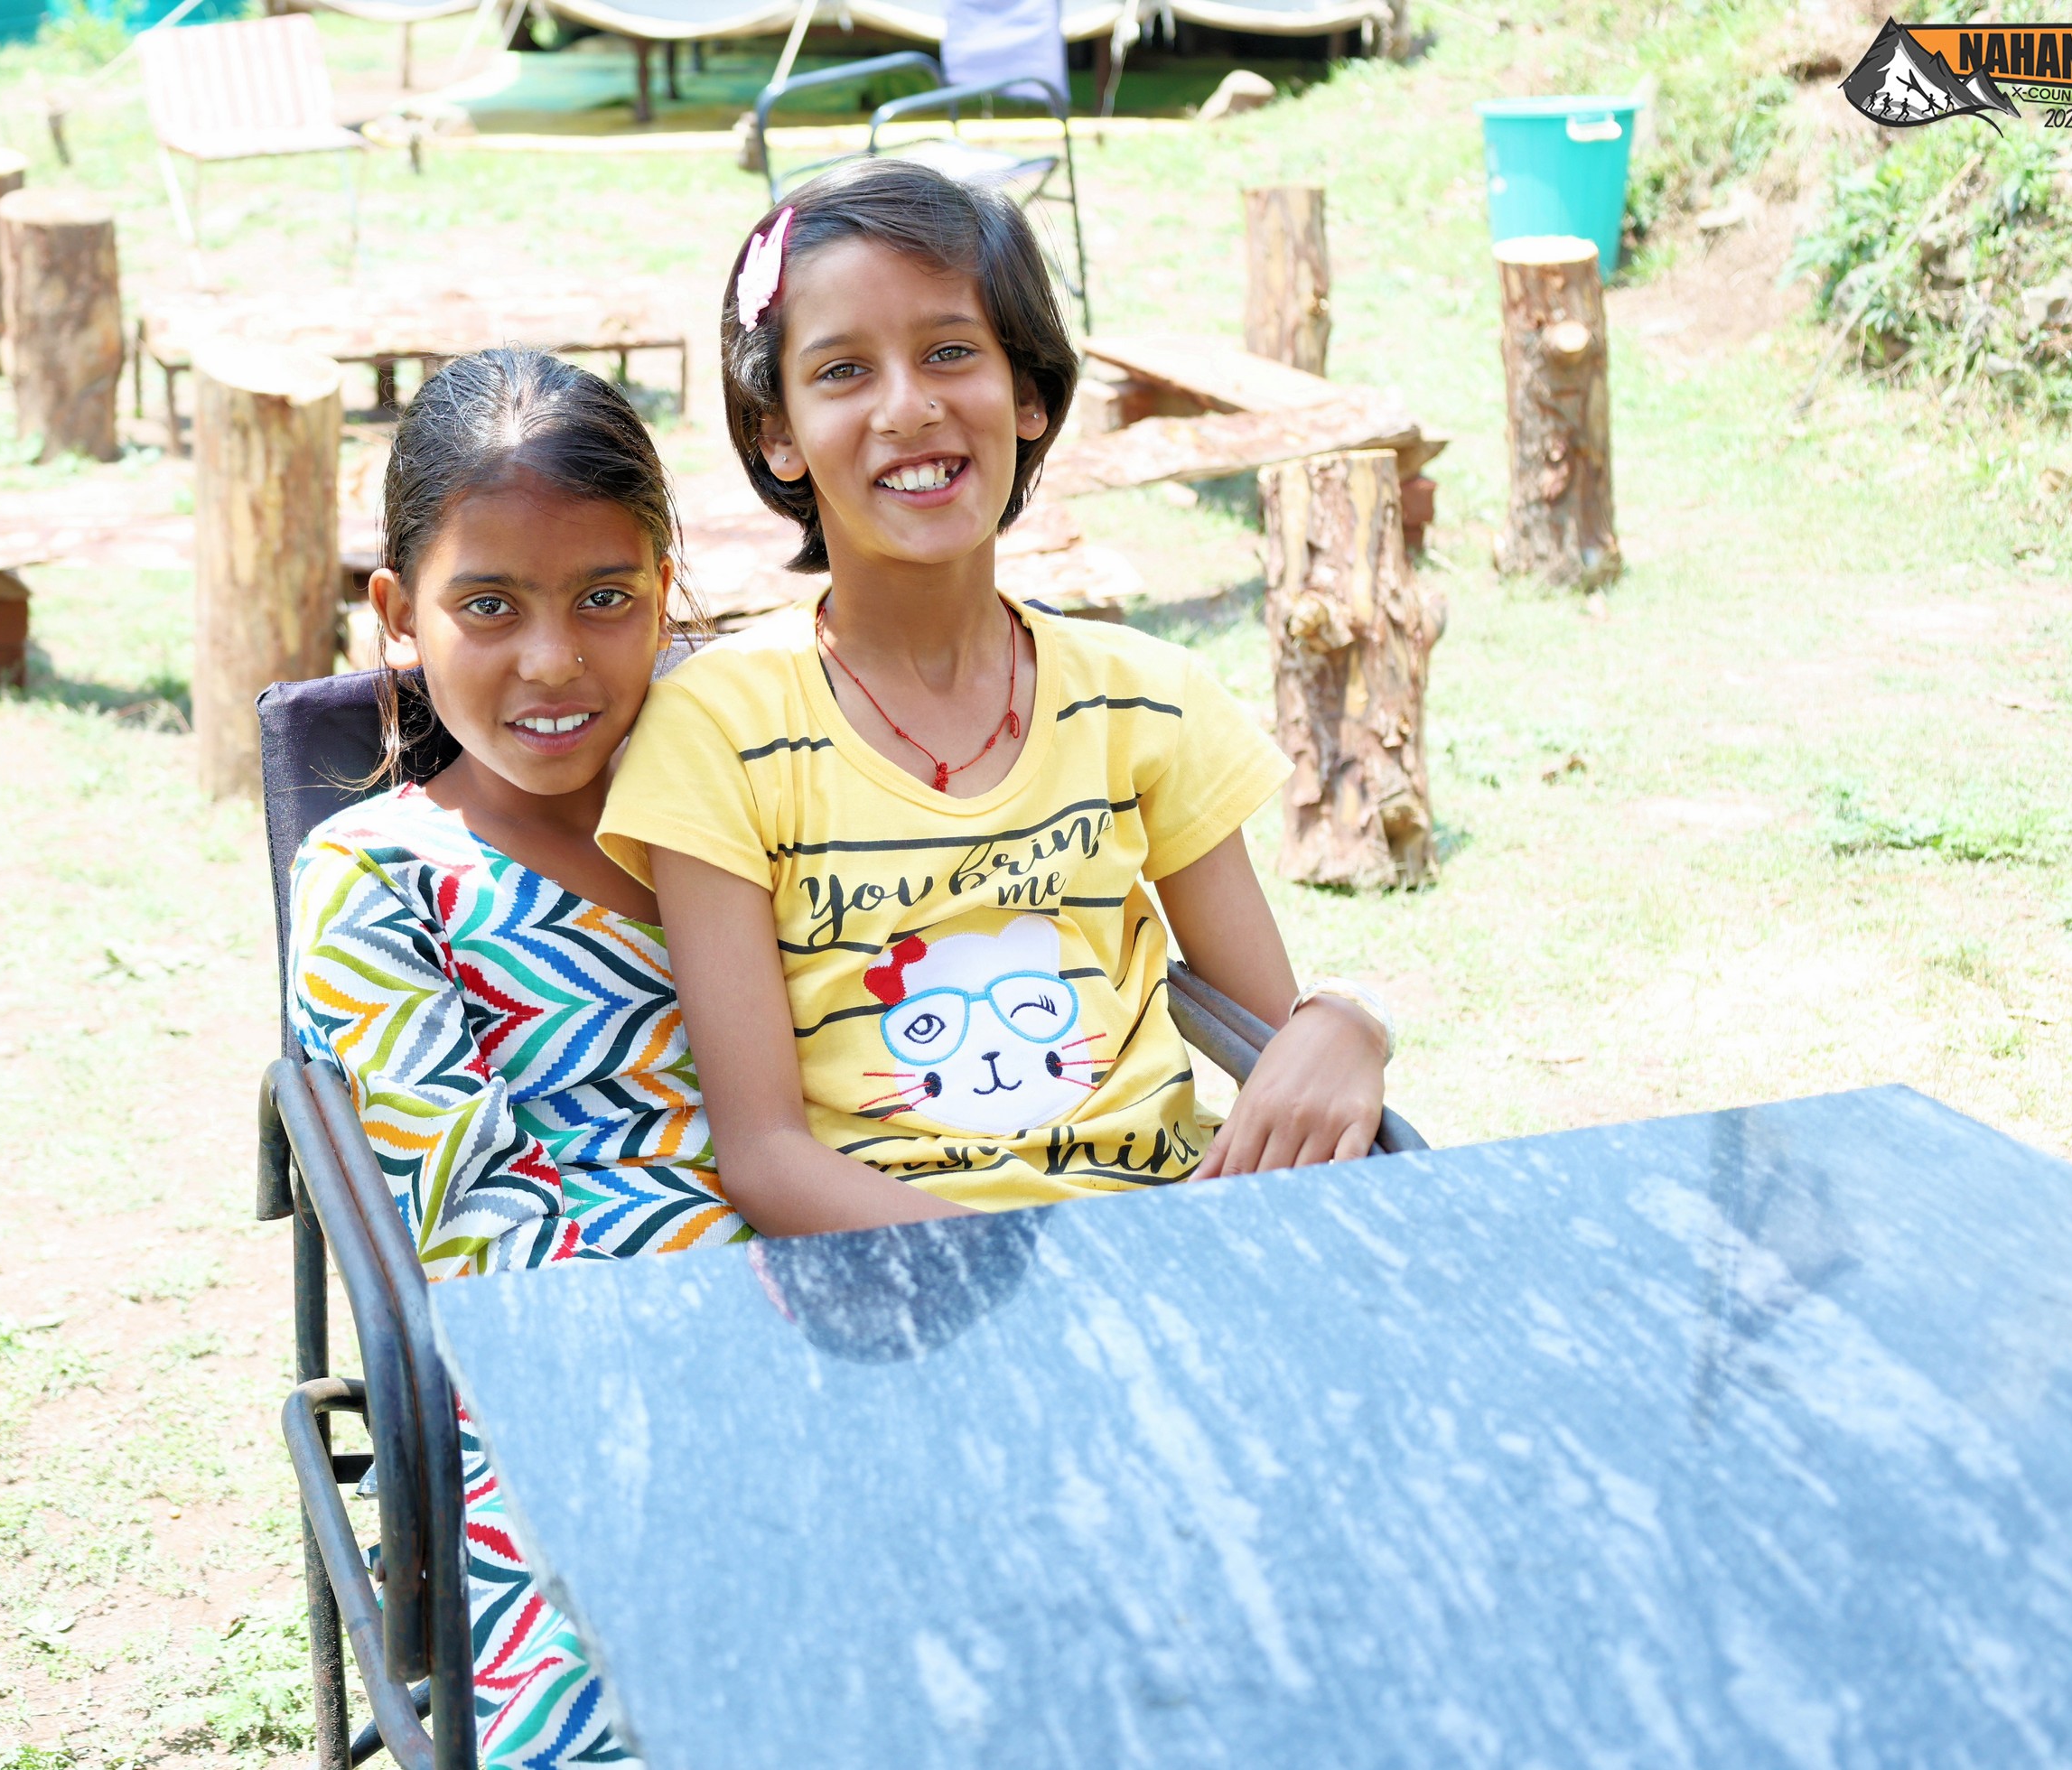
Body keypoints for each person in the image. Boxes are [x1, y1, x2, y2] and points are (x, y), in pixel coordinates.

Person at [596, 161, 1394, 1236]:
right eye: (842, 370)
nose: (909, 406)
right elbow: (767, 1159)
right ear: (778, 432)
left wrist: (1349, 1021)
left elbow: (1273, 1041)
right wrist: (1032, 1282)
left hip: (1166, 1239)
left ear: (1029, 394)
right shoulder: (717, 731)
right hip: (893, 1274)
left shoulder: (1145, 700)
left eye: (951, 351)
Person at [286, 348, 742, 1768]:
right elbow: (470, 1224)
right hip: (560, 1385)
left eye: (605, 598)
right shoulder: (381, 877)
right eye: (489, 605)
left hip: (848, 1287)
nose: (553, 661)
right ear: (398, 616)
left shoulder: (761, 804)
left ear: (665, 589)